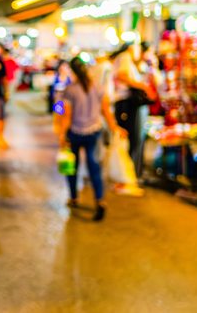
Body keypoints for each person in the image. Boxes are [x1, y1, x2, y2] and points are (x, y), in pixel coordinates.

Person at [59, 56, 126, 221]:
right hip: (94, 132)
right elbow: (106, 110)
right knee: (94, 168)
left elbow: (66, 114)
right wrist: (115, 127)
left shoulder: (69, 90)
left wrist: (62, 134)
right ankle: (100, 201)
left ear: (72, 71)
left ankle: (74, 198)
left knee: (71, 167)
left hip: (74, 133)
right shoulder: (97, 87)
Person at [110, 41, 155, 176]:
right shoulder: (125, 58)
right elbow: (122, 76)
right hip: (124, 103)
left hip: (126, 103)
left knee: (131, 139)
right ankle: (126, 173)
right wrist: (143, 86)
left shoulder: (129, 60)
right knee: (129, 138)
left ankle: (127, 172)